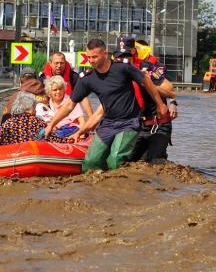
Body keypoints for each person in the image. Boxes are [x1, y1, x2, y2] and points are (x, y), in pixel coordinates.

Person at [46, 39, 167, 172]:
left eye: (94, 57)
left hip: (129, 122)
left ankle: (118, 187)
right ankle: (97, 189)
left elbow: (146, 82)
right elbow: (70, 104)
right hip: (108, 124)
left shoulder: (123, 67)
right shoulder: (87, 78)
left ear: (105, 54)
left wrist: (160, 104)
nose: (91, 60)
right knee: (91, 161)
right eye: (88, 57)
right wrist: (52, 124)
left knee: (115, 159)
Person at [0, 92, 67, 146]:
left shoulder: (8, 123)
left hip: (13, 158)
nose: (36, 110)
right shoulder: (37, 122)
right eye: (34, 108)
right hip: (34, 155)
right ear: (29, 108)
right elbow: (52, 139)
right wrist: (67, 140)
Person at [39, 51, 94, 118]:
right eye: (56, 63)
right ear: (50, 63)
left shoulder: (73, 77)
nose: (59, 66)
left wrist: (92, 118)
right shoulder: (43, 78)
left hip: (69, 111)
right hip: (50, 112)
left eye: (61, 63)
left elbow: (83, 97)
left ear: (65, 63)